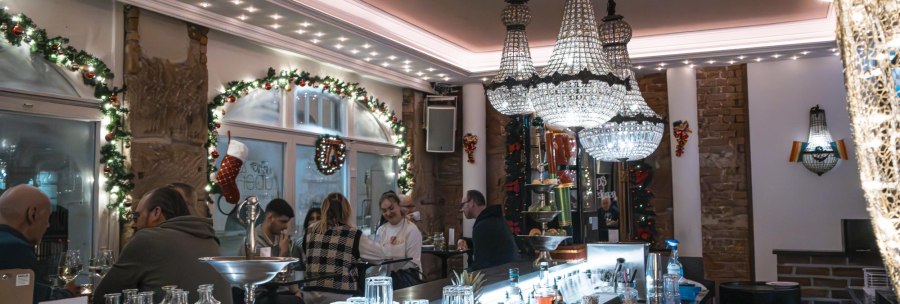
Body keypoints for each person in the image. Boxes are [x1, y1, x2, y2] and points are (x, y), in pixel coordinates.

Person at [92, 185, 232, 304]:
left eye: (137, 216)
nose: (135, 223)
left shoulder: (148, 238)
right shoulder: (210, 240)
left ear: (156, 212)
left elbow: (104, 298)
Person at [302, 193, 386, 303]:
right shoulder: (352, 233)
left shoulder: (309, 230)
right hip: (339, 293)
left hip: (309, 293)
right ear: (347, 211)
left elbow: (307, 254)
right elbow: (379, 256)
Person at [0, 185, 78, 303]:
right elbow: (37, 301)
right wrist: (69, 292)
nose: (47, 225)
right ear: (32, 214)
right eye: (47, 218)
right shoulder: (15, 249)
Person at [456, 189, 518, 271]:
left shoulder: (483, 225)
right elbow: (488, 244)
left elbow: (481, 264)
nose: (462, 209)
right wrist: (466, 241)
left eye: (462, 205)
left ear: (471, 203)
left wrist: (466, 274)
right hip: (506, 271)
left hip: (497, 276)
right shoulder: (494, 219)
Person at [375, 191, 423, 286]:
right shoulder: (380, 230)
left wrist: (393, 276)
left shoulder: (411, 229)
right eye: (384, 211)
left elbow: (413, 262)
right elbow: (376, 255)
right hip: (385, 280)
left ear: (399, 206)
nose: (388, 213)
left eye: (391, 208)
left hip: (406, 279)